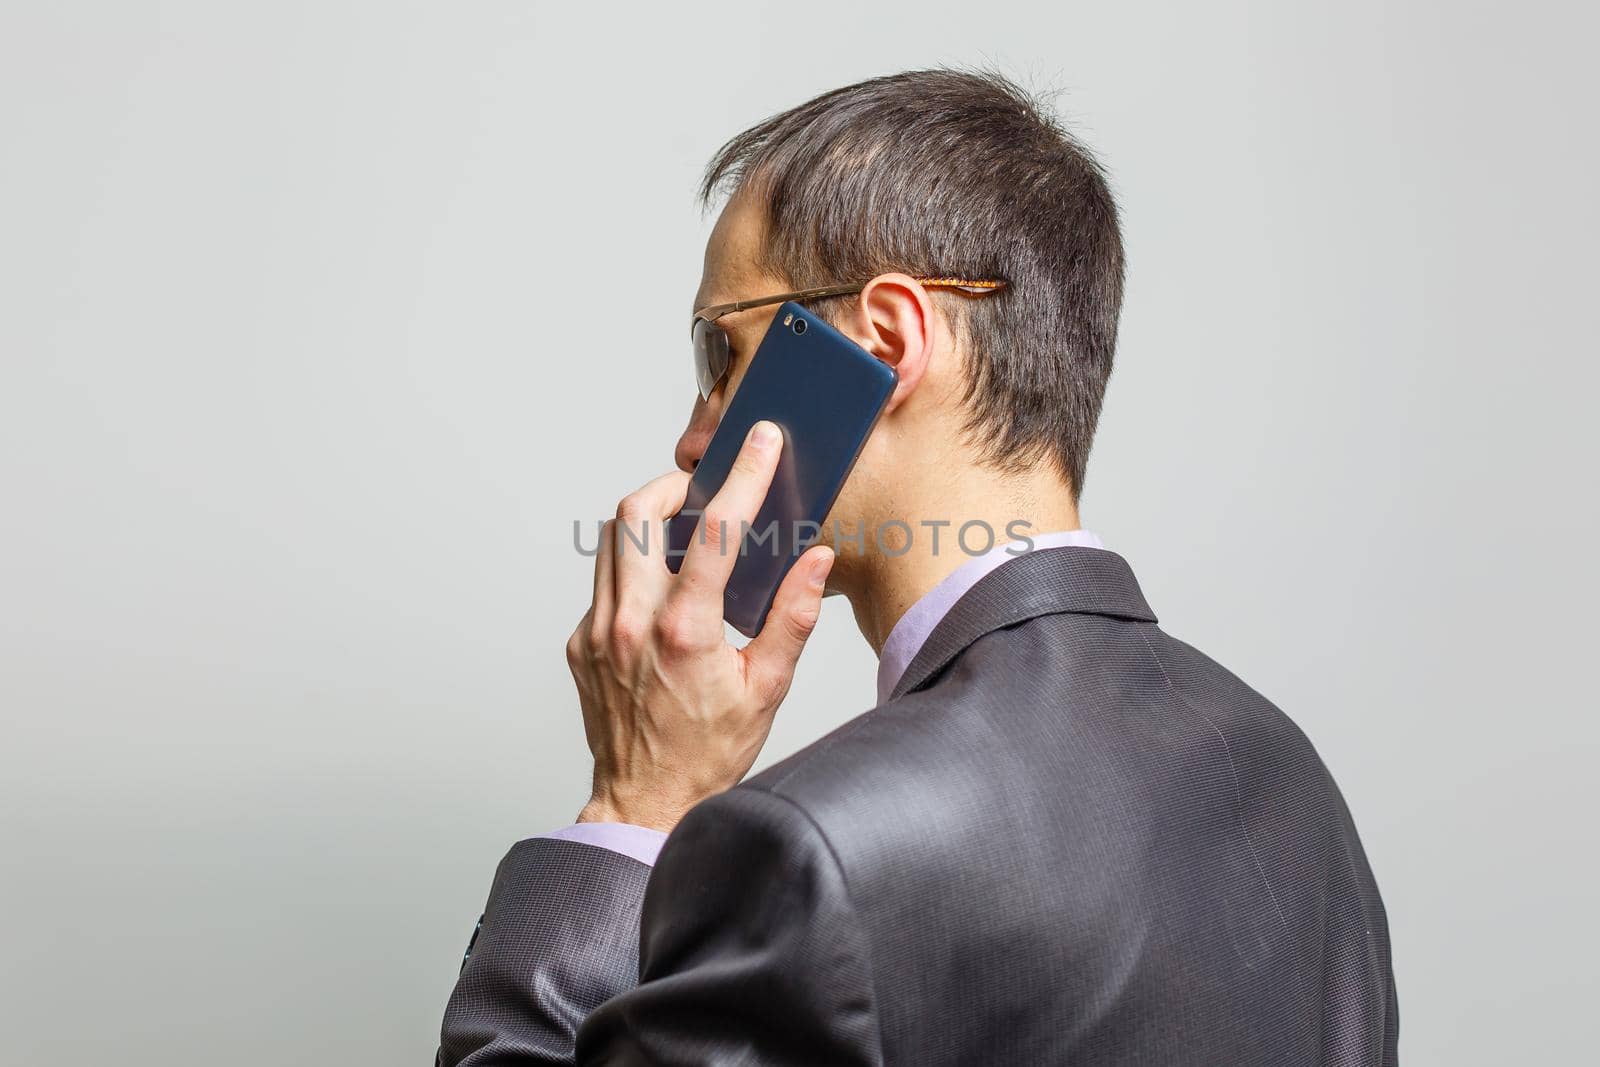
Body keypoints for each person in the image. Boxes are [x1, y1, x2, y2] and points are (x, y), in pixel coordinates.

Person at [436, 68, 1397, 1066]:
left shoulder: (814, 849)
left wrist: (635, 803)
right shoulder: (1287, 775)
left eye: (720, 356)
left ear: (883, 340)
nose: (690, 439)